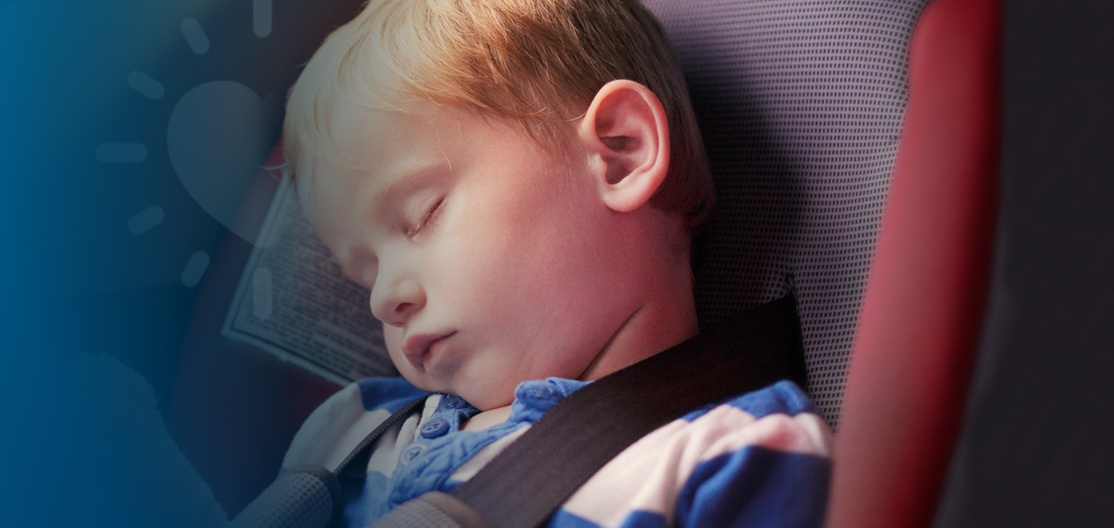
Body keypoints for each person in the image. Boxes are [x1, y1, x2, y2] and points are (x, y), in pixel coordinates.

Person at [277, 0, 831, 525]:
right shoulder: (351, 436)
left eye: (422, 216)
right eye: (364, 273)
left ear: (619, 154)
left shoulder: (728, 459)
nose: (382, 300)